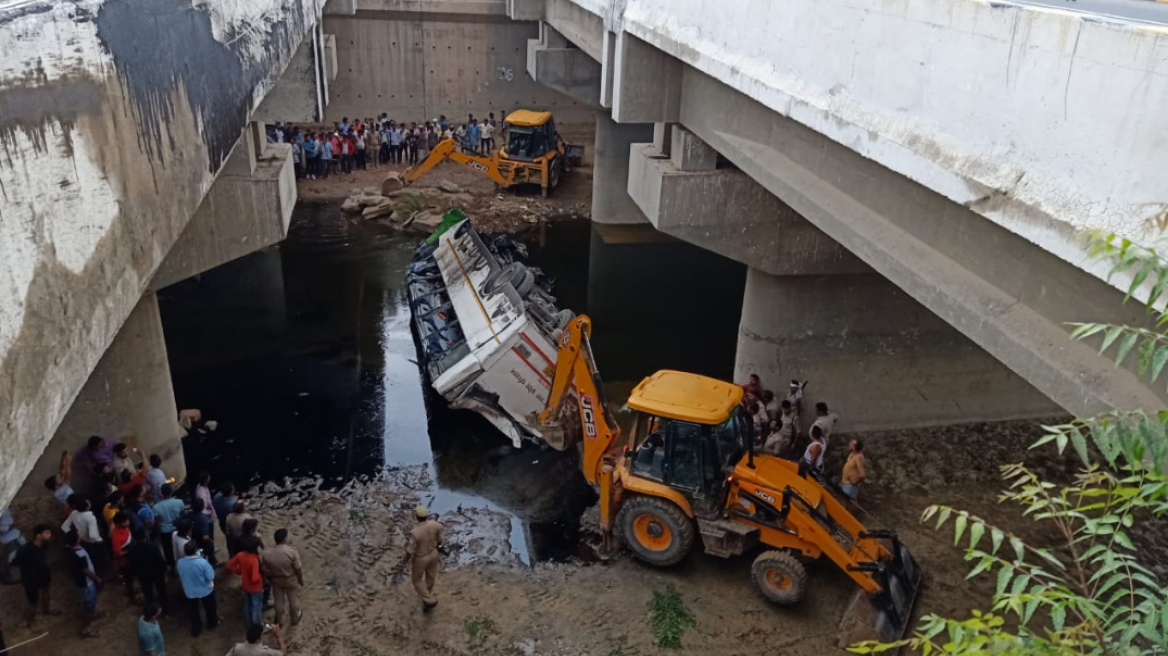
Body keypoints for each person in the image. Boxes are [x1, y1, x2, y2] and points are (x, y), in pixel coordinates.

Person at [13, 525, 56, 628]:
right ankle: (31, 622)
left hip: (43, 574)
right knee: (33, 600)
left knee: (46, 592)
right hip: (30, 579)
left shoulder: (45, 545)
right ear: (38, 535)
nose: (50, 535)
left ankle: (47, 610)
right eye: (46, 533)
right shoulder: (25, 550)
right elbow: (15, 562)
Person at [64, 529, 102, 638]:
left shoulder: (72, 550)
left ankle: (92, 614)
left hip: (82, 582)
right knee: (89, 605)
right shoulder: (79, 554)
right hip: (87, 583)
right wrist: (96, 578)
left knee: (90, 602)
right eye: (78, 536)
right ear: (76, 539)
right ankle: (87, 629)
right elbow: (86, 570)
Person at [406, 505, 444, 612]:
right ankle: (426, 599)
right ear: (427, 515)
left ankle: (429, 600)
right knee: (430, 577)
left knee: (416, 580)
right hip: (434, 554)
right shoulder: (436, 525)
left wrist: (404, 561)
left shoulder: (415, 532)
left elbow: (409, 551)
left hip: (421, 558)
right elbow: (440, 540)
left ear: (416, 517)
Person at [177, 541, 218, 636]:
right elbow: (211, 576)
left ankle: (197, 628)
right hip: (205, 590)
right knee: (210, 607)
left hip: (190, 591)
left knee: (193, 611)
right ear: (195, 551)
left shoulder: (180, 562)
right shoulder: (202, 563)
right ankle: (212, 623)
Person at [264, 529, 303, 627]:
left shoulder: (267, 554)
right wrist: (300, 579)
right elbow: (298, 568)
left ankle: (279, 620)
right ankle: (294, 618)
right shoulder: (292, 552)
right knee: (293, 599)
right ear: (285, 538)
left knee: (279, 601)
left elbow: (265, 569)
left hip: (276, 580)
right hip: (291, 579)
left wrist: (269, 579)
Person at [130, 527, 169, 616]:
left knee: (148, 594)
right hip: (157, 572)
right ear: (145, 536)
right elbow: (160, 559)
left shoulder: (133, 549)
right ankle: (165, 612)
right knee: (162, 592)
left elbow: (133, 563)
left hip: (143, 574)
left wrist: (136, 574)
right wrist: (164, 569)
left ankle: (151, 613)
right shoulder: (152, 546)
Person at [62, 493, 105, 573]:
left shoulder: (74, 513)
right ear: (87, 505)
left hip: (83, 541)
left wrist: (76, 535)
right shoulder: (90, 517)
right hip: (93, 543)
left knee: (91, 559)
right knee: (98, 559)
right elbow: (93, 535)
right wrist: (100, 540)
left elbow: (64, 526)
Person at [227, 536, 264, 628]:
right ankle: (257, 625)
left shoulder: (240, 555)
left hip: (245, 584)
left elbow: (229, 565)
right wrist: (261, 575)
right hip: (256, 587)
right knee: (257, 606)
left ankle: (248, 622)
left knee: (248, 602)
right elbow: (255, 578)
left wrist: (239, 572)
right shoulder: (254, 560)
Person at [111, 511, 137, 602]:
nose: (128, 522)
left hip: (132, 559)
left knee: (132, 578)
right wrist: (128, 551)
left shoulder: (125, 528)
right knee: (129, 580)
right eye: (125, 521)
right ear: (118, 524)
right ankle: (132, 598)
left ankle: (133, 591)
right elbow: (117, 554)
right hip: (125, 563)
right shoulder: (116, 537)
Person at [187, 498, 218, 567]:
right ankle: (212, 563)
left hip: (190, 541)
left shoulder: (188, 515)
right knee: (210, 546)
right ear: (202, 506)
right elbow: (205, 537)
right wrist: (210, 540)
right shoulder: (203, 518)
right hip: (200, 543)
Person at [0, 508, 23, 584]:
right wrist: (18, 522)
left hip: (14, 535)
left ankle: (9, 577)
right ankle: (10, 578)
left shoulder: (4, 506)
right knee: (13, 558)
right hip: (9, 538)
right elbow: (3, 529)